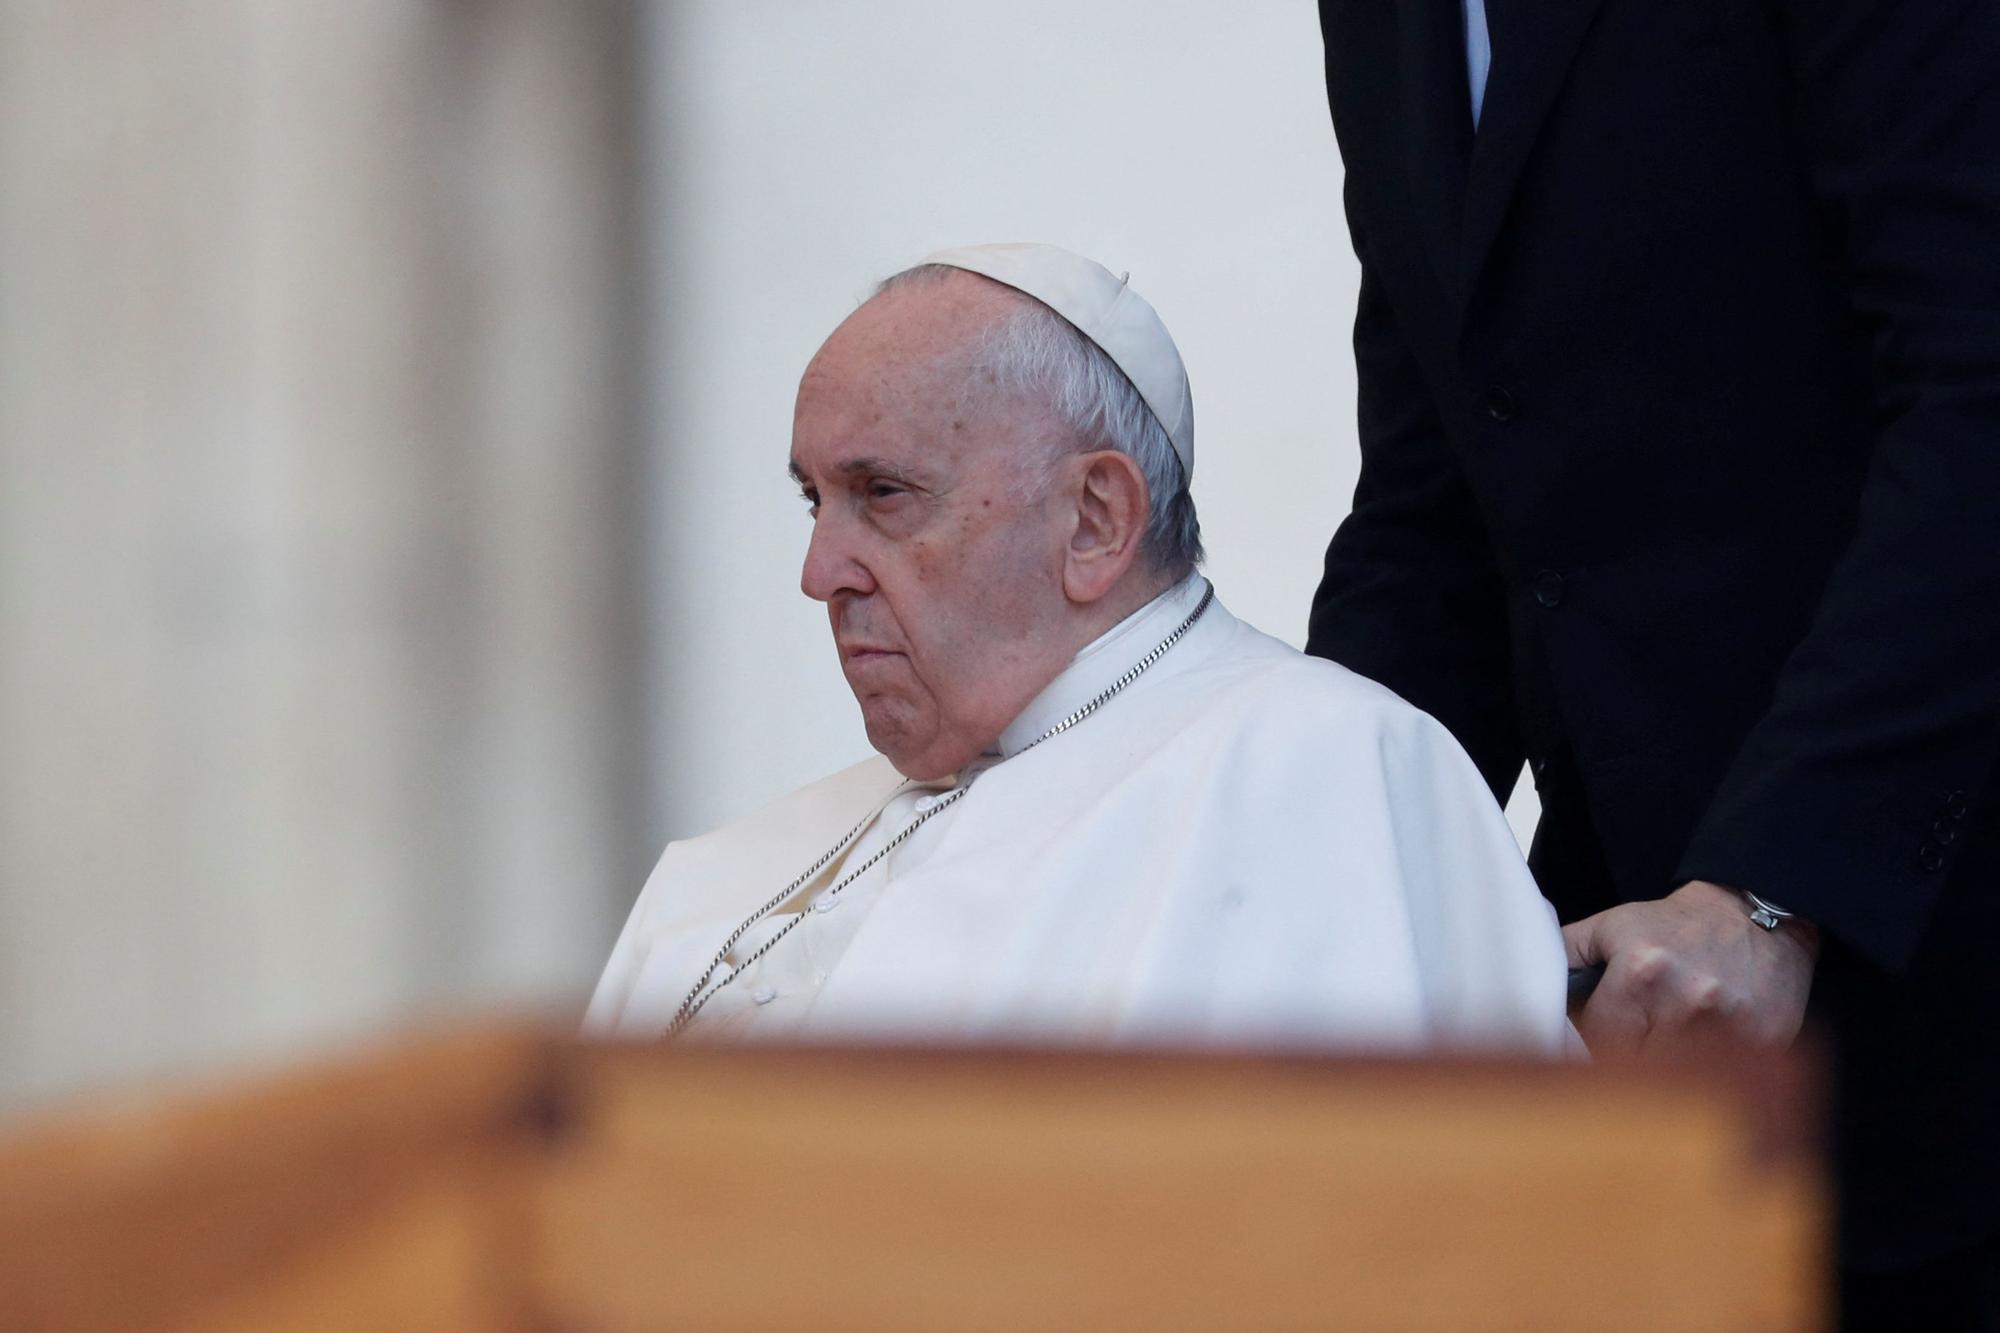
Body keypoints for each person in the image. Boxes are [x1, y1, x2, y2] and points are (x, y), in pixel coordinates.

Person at [1305, 0, 2000, 1321]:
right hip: (1627, 1014)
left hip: (1926, 944)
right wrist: (1302, 861)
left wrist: (1772, 891)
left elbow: (1979, 406)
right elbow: (1441, 491)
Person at [587, 242, 1567, 1053]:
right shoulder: (742, 862)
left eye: (881, 494)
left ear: (1095, 519)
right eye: (814, 499)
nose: (819, 570)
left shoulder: (1323, 769)